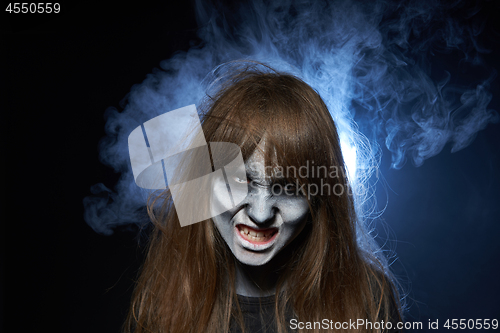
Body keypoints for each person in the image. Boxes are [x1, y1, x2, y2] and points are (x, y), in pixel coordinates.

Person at [123, 62, 403, 333]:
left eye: (289, 188)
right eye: (239, 180)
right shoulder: (168, 294)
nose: (260, 213)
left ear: (319, 199)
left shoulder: (367, 297)